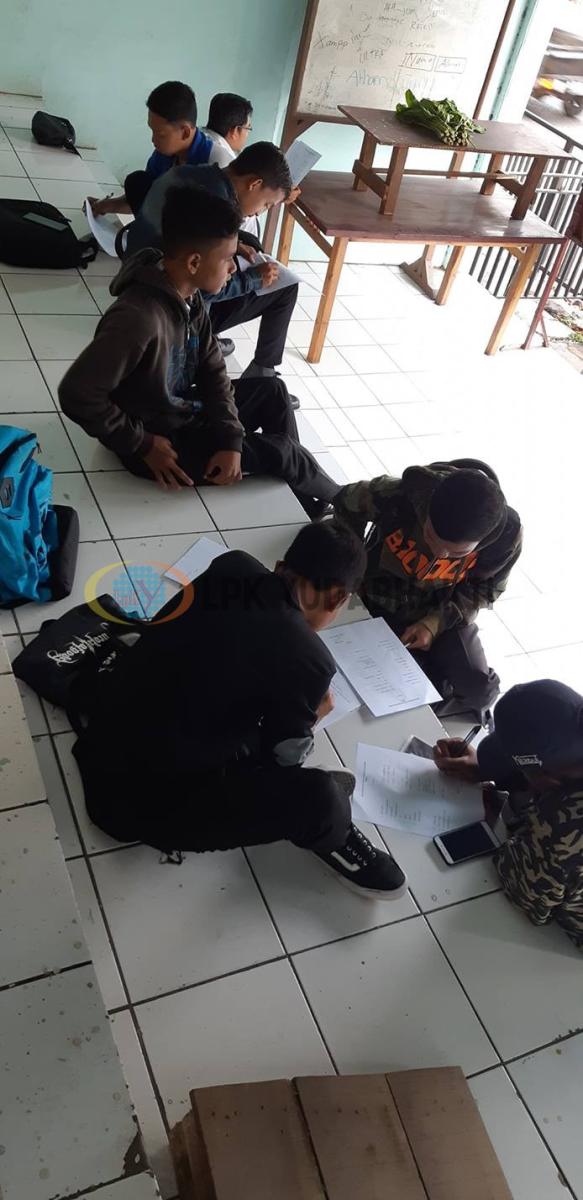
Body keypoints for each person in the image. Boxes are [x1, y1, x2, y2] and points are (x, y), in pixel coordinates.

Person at [72, 523, 407, 900]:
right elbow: (283, 762)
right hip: (135, 806)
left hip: (104, 731)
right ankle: (335, 836)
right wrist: (314, 716)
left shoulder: (234, 565)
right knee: (318, 798)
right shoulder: (310, 660)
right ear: (338, 599)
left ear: (280, 566)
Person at [58, 185, 338, 518]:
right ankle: (346, 501)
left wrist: (231, 439)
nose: (233, 268)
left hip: (180, 409)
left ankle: (303, 501)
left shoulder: (188, 296)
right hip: (158, 441)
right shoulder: (137, 319)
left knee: (273, 391)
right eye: (228, 259)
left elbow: (212, 370)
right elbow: (76, 393)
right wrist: (142, 444)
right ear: (194, 261)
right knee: (286, 453)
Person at [333, 460, 522, 723]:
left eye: (457, 553)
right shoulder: (399, 496)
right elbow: (346, 500)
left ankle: (427, 698)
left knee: (479, 692)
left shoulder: (505, 538)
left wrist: (435, 623)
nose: (440, 554)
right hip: (378, 595)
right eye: (431, 537)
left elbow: (486, 590)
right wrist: (351, 565)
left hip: (443, 609)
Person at [122, 142, 298, 384]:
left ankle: (213, 343)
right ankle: (260, 371)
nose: (260, 212)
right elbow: (206, 288)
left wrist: (234, 246)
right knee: (286, 288)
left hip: (136, 277)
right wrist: (255, 279)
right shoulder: (217, 205)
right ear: (254, 183)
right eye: (266, 204)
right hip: (173, 310)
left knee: (249, 243)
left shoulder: (189, 174)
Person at [435, 679, 583, 949]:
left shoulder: (561, 826)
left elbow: (526, 897)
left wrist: (525, 826)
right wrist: (485, 768)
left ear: (551, 779)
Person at [89, 81, 214, 219]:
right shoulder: (164, 154)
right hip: (166, 221)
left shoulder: (214, 163)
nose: (153, 140)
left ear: (185, 132)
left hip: (191, 227)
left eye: (161, 134)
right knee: (137, 182)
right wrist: (105, 205)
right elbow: (144, 197)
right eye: (152, 131)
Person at [201, 92, 254, 168]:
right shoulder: (225, 163)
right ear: (235, 131)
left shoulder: (199, 137)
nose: (247, 134)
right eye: (248, 128)